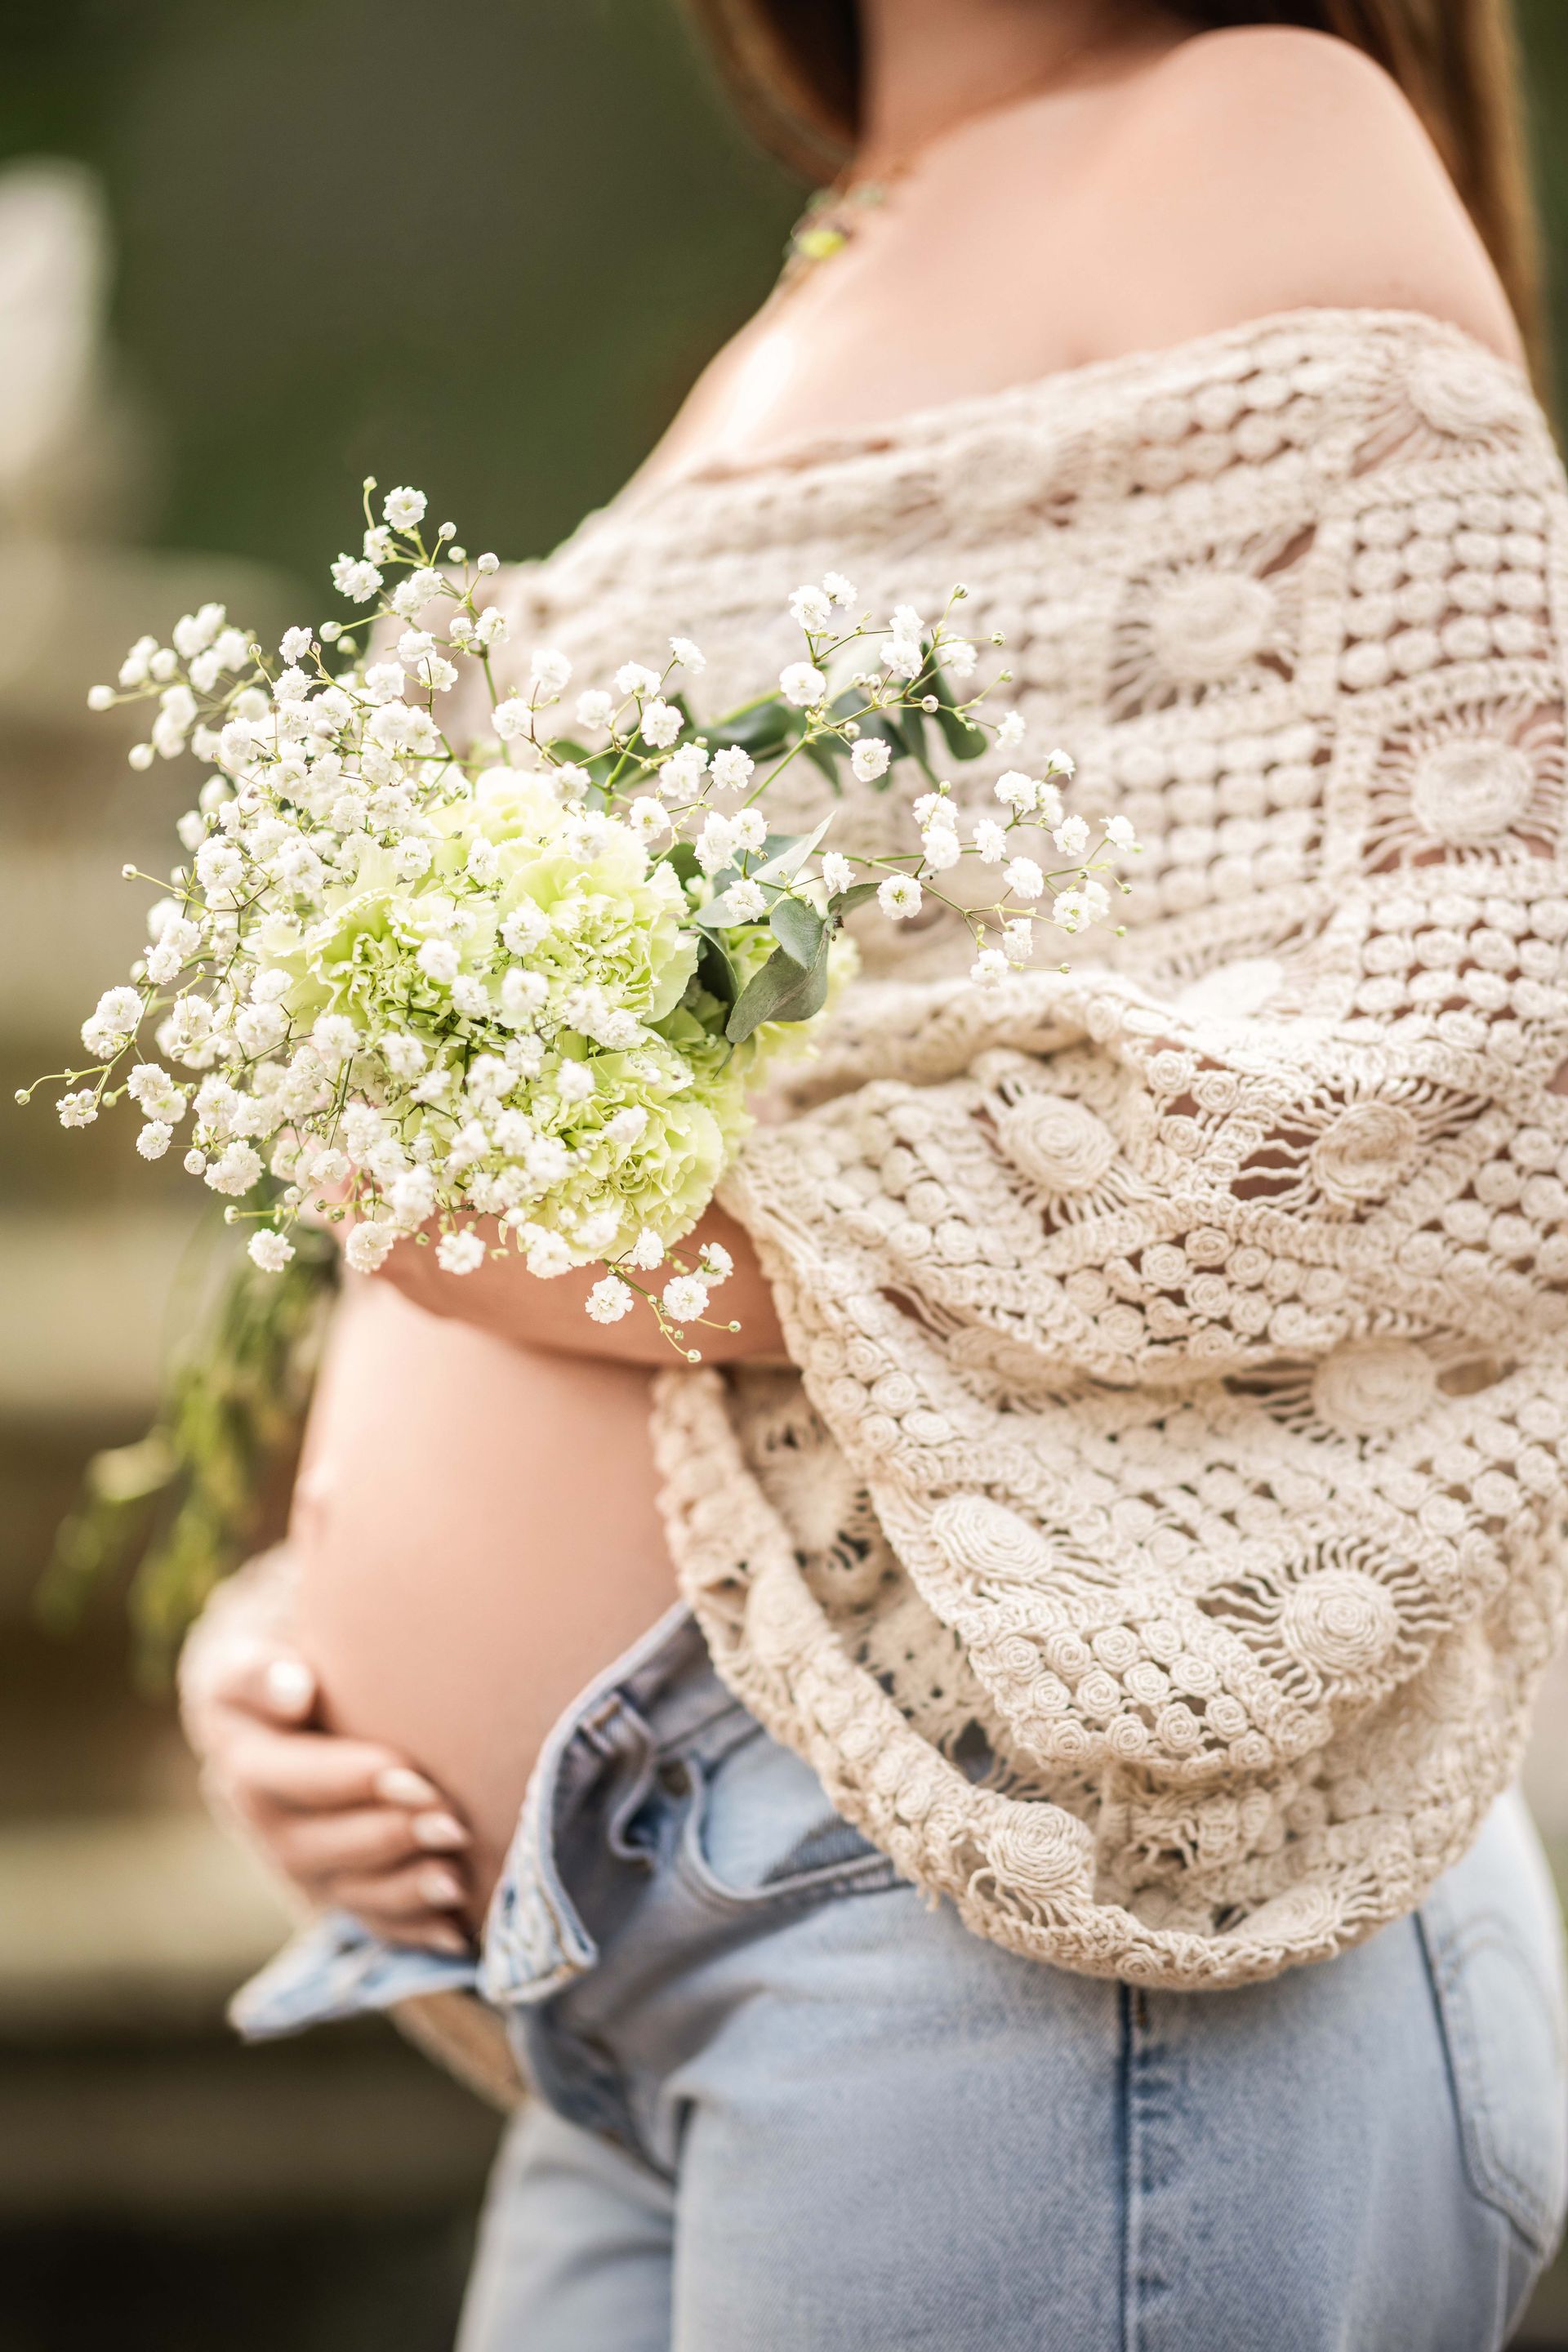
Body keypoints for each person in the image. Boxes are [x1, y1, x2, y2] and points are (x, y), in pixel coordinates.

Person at [178, 2, 1568, 2343]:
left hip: (1034, 1943)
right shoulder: (845, 253)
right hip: (655, 1970)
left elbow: (1462, 1106)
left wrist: (555, 1250)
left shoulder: (1254, 117)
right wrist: (299, 1639)